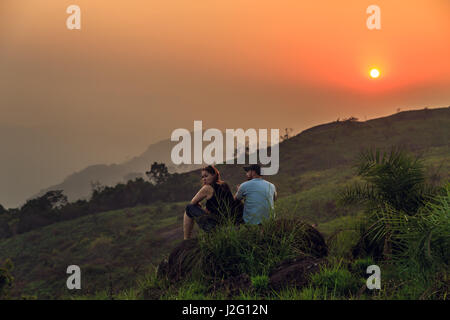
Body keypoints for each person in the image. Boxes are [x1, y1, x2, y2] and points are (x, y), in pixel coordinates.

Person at [183, 165, 237, 240]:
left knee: (188, 208)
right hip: (229, 223)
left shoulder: (207, 188)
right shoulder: (224, 184)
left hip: (216, 227)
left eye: (206, 176)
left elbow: (192, 203)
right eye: (202, 177)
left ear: (214, 175)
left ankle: (186, 239)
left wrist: (198, 206)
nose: (204, 179)